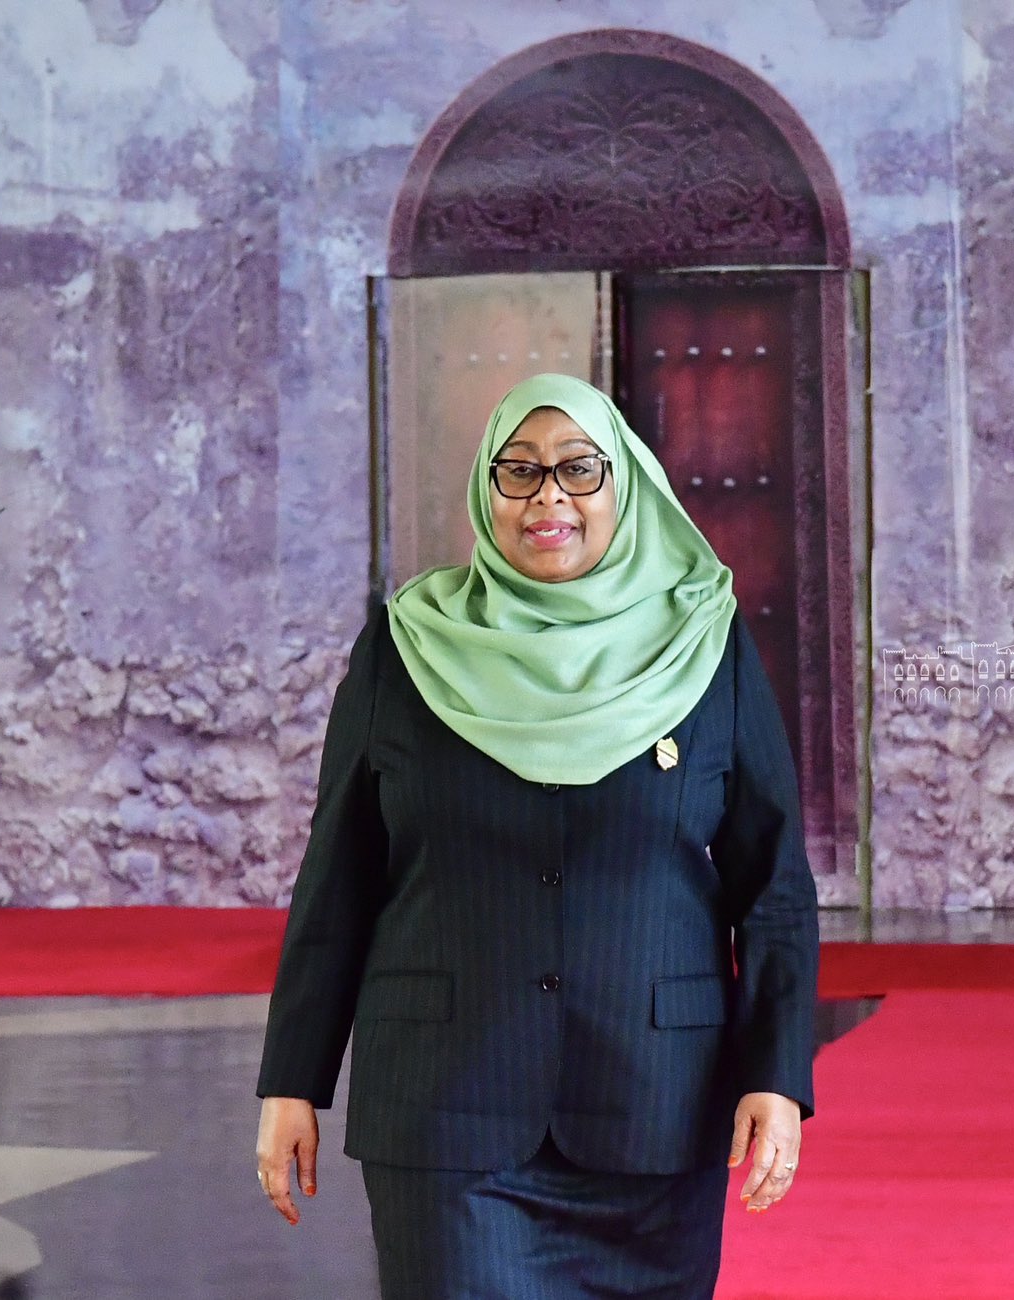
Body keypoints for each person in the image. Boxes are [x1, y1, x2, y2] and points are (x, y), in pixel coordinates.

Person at [253, 372, 819, 1298]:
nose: (548, 497)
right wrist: (293, 1079)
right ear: (487, 488)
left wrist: (778, 1074)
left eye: (578, 469)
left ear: (625, 484)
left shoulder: (704, 646)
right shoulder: (406, 647)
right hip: (447, 1113)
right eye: (519, 470)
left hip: (656, 1109)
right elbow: (338, 879)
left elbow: (774, 887)